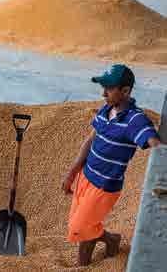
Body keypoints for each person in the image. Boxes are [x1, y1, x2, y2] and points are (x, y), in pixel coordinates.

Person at [62, 64, 161, 266]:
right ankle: (111, 239)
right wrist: (73, 171)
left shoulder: (135, 120)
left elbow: (157, 146)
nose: (103, 93)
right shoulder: (107, 108)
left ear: (125, 91)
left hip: (105, 187)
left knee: (81, 228)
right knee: (80, 227)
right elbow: (90, 140)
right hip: (86, 177)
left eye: (109, 88)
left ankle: (82, 267)